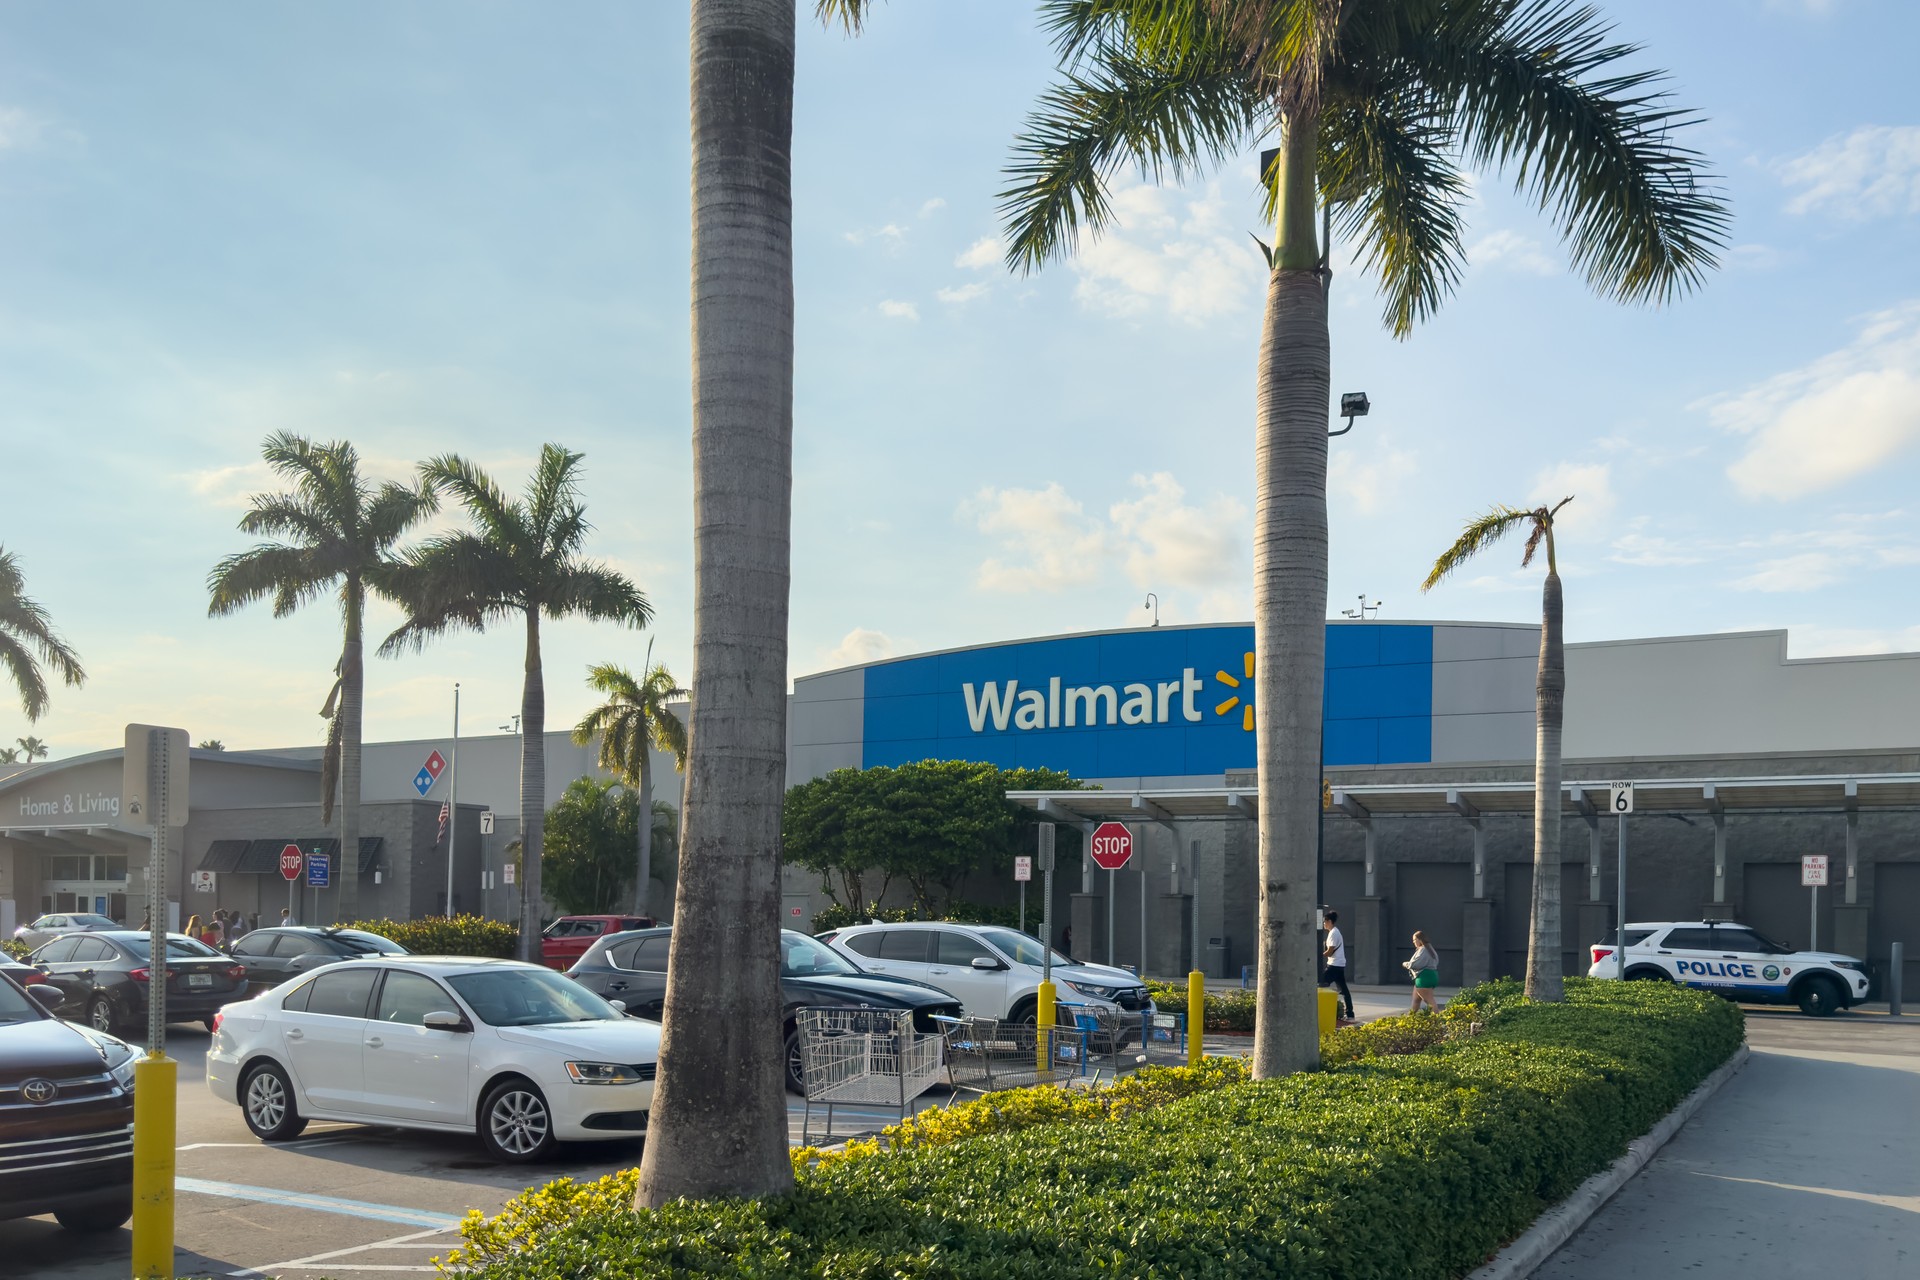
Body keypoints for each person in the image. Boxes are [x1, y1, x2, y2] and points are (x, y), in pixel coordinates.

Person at [1320, 910, 1355, 1024]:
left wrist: (1319, 955)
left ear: (1329, 921)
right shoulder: (1335, 932)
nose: (1323, 923)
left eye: (1324, 921)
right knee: (1344, 990)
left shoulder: (1333, 933)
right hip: (1338, 964)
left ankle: (1325, 1010)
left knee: (1320, 983)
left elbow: (1330, 951)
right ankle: (1350, 1014)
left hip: (1334, 965)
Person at [1403, 931, 1441, 1013]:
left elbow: (1415, 964)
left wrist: (1405, 964)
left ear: (1420, 940)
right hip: (1431, 975)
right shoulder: (1430, 949)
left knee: (1430, 1002)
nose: (1413, 942)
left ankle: (1439, 1021)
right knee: (1416, 1000)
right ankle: (1411, 1019)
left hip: (1423, 977)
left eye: (1414, 940)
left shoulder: (1423, 950)